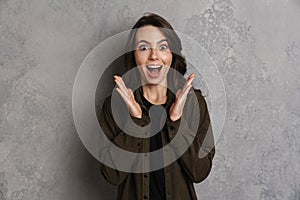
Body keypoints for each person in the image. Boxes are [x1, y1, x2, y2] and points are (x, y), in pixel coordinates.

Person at [99, 13, 215, 200]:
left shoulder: (194, 103)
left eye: (162, 47)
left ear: (172, 54)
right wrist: (135, 121)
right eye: (144, 47)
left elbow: (199, 172)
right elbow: (112, 175)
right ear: (133, 56)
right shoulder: (114, 106)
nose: (154, 56)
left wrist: (176, 121)